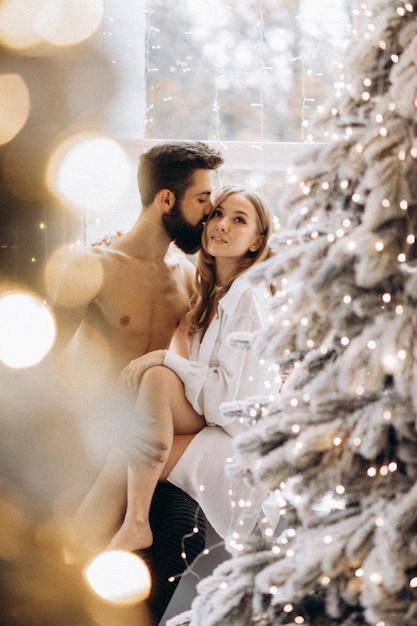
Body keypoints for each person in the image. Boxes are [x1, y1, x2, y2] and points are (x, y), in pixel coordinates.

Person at [48, 140, 224, 624]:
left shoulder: (188, 277)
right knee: (69, 555)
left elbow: (195, 370)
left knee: (179, 540)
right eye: (203, 199)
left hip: (155, 456)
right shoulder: (93, 267)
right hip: (97, 445)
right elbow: (46, 360)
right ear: (167, 199)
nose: (211, 214)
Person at [74, 185, 278, 556]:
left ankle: (117, 535)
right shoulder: (209, 290)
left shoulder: (249, 298)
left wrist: (163, 360)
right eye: (217, 213)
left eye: (239, 220)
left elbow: (230, 403)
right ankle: (82, 558)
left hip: (235, 434)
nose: (222, 225)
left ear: (256, 241)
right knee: (132, 436)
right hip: (212, 420)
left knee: (137, 427)